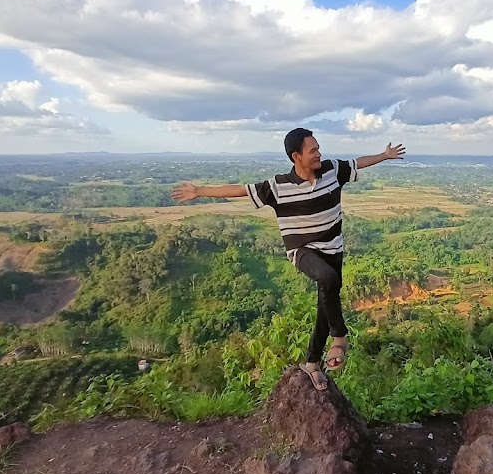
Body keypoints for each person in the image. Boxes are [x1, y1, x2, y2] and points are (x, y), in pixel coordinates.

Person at [171, 128, 406, 391]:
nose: (319, 154)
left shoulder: (332, 170)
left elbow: (358, 162)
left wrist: (384, 155)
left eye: (318, 148)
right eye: (313, 150)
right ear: (296, 156)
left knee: (325, 304)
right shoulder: (278, 186)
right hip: (302, 251)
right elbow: (241, 190)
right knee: (327, 279)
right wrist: (199, 191)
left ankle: (312, 363)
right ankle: (340, 337)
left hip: (333, 249)